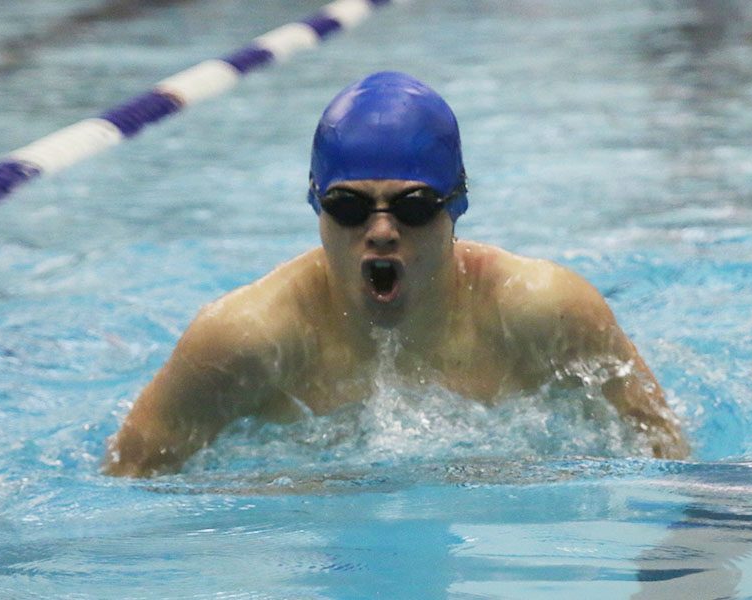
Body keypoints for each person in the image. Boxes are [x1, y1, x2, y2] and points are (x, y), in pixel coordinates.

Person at [104, 71, 688, 477]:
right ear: (316, 206)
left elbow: (669, 458)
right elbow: (125, 487)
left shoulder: (542, 310)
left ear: (455, 205)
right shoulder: (247, 339)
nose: (381, 231)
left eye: (411, 206)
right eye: (350, 207)